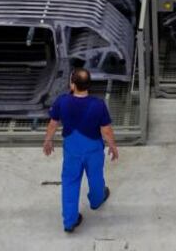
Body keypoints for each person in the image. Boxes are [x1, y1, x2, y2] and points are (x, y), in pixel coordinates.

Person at [43, 68, 119, 232]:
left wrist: (48, 141)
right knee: (96, 176)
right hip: (93, 149)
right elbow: (106, 130)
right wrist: (113, 146)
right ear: (88, 85)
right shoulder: (98, 105)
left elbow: (53, 124)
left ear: (72, 84)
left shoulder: (62, 101)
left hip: (72, 149)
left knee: (70, 181)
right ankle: (97, 200)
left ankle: (70, 221)